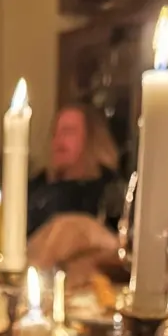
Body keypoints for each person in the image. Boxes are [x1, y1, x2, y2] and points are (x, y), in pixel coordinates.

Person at [25, 104, 124, 287]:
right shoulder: (36, 184)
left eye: (68, 132)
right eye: (55, 134)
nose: (59, 141)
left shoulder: (109, 189)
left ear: (91, 140)